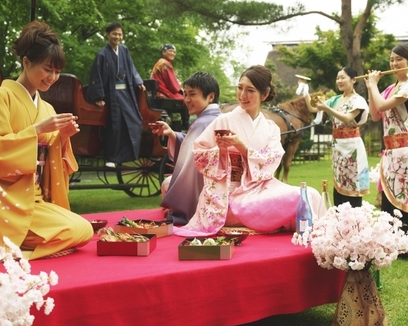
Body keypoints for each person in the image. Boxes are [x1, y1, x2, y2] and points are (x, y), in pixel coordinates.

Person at [0, 21, 93, 259]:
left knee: (83, 229)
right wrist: (36, 130)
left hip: (36, 199)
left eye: (57, 71)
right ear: (26, 62)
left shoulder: (48, 108)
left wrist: (61, 139)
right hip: (2, 202)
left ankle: (17, 249)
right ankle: (16, 254)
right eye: (47, 69)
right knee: (76, 230)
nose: (52, 77)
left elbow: (53, 163)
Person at [175, 65, 326, 236]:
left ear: (264, 95)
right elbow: (199, 153)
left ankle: (320, 236)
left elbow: (272, 159)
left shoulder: (271, 128)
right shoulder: (224, 120)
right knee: (299, 198)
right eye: (240, 88)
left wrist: (242, 147)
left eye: (250, 90)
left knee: (310, 195)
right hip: (230, 196)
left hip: (260, 188)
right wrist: (221, 152)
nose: (242, 95)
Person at [365, 44, 408, 258]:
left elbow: (382, 106)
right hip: (391, 152)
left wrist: (373, 85)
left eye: (399, 59)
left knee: (406, 198)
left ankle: (407, 248)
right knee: (390, 199)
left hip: (406, 151)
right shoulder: (390, 89)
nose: (394, 63)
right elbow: (375, 114)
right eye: (391, 59)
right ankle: (390, 245)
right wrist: (370, 87)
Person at [153, 72, 221, 225]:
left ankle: (189, 212)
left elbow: (188, 162)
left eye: (192, 95)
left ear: (210, 96)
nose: (187, 100)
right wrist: (172, 134)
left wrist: (177, 208)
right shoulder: (216, 117)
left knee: (166, 184)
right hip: (220, 186)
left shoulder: (202, 123)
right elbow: (191, 146)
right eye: (185, 94)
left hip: (208, 189)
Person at [304, 67, 370, 207]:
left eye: (343, 77)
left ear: (353, 80)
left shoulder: (358, 100)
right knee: (339, 187)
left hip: (352, 148)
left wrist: (327, 109)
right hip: (338, 148)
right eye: (337, 78)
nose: (339, 81)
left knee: (352, 186)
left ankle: (354, 223)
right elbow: (313, 109)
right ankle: (339, 224)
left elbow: (347, 118)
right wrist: (305, 92)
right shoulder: (336, 99)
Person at [86, 21, 145, 168]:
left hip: (126, 93)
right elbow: (96, 76)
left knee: (134, 121)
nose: (117, 37)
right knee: (115, 125)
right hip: (112, 95)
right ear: (107, 35)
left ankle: (126, 156)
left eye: (120, 34)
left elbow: (131, 69)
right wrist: (99, 97)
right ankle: (112, 158)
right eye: (114, 34)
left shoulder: (124, 50)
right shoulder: (102, 54)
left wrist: (138, 82)